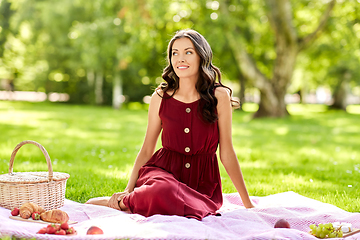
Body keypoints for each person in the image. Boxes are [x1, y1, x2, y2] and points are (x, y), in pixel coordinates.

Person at [86, 29, 254, 220]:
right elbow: (147, 148)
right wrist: (128, 188)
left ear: (202, 56)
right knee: (163, 190)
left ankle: (131, 202)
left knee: (191, 207)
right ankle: (123, 201)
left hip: (202, 186)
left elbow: (227, 153)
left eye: (188, 52)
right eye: (175, 53)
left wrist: (247, 204)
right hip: (162, 174)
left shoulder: (219, 97)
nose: (180, 59)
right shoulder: (160, 97)